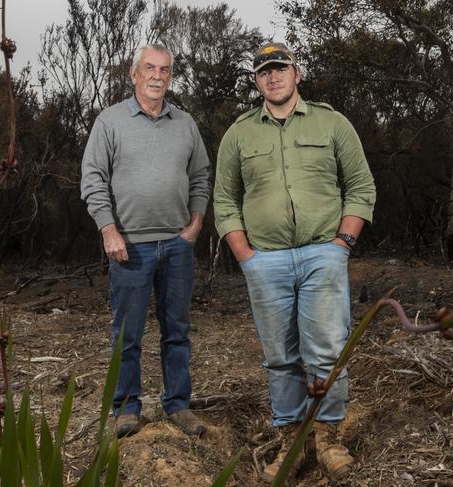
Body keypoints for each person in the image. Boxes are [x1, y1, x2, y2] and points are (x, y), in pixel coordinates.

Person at [213, 42, 376, 482]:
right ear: (257, 81)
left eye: (280, 68)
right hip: (265, 260)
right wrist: (245, 255)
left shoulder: (332, 122)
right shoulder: (239, 133)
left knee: (325, 350)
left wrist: (343, 243)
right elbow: (224, 199)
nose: (273, 77)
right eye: (264, 71)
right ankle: (292, 440)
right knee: (280, 356)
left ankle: (328, 438)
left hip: (324, 251)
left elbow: (360, 184)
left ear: (296, 72)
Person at [81, 44, 211, 439]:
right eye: (150, 69)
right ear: (134, 74)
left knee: (177, 331)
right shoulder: (111, 121)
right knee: (127, 334)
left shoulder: (184, 123)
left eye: (165, 70)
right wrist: (108, 229)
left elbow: (201, 176)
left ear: (171, 76)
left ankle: (178, 405)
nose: (158, 76)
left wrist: (195, 222)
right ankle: (126, 407)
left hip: (176, 245)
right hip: (129, 247)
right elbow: (92, 180)